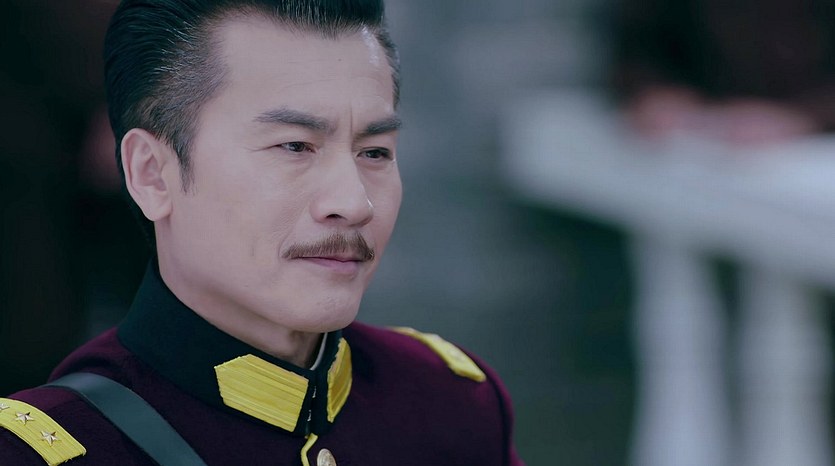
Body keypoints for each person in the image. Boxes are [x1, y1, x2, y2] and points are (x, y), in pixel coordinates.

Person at [0, 1, 524, 464]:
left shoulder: (450, 404)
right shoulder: (57, 449)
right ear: (152, 174)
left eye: (375, 152)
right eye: (294, 146)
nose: (354, 203)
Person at [613, 0, 835, 145]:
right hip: (695, 142)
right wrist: (651, 90)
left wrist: (805, 115)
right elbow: (639, 46)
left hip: (802, 154)